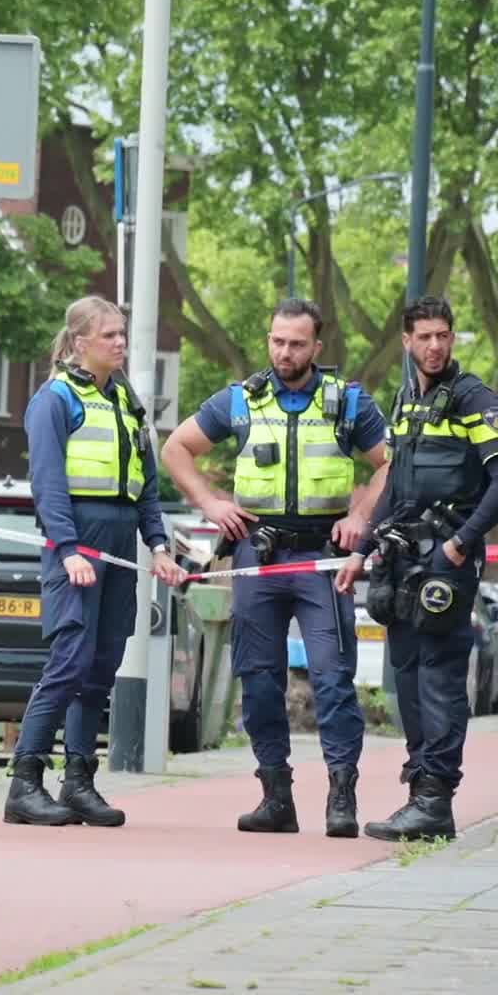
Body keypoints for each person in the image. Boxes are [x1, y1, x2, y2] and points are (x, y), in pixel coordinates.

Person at [162, 298, 388, 837]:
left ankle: (341, 797)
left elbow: (390, 464)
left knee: (332, 679)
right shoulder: (240, 401)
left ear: (317, 346)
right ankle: (275, 797)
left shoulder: (347, 403)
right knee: (259, 681)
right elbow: (176, 449)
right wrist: (212, 504)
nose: (284, 352)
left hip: (321, 558)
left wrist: (360, 514)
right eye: (276, 341)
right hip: (257, 557)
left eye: (296, 343)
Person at [3, 296, 187, 828]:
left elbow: (145, 487)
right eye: (110, 335)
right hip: (78, 542)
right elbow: (48, 484)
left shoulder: (127, 402)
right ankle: (25, 782)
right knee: (69, 662)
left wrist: (158, 546)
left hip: (120, 541)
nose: (121, 343)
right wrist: (66, 549)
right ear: (80, 341)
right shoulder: (54, 400)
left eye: (122, 334)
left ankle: (79, 781)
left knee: (102, 664)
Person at [335, 296, 498, 842]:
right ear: (407, 341)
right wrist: (361, 551)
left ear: (452, 339)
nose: (434, 346)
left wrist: (461, 544)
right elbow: (395, 487)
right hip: (400, 557)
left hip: (446, 560)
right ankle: (419, 791)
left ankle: (436, 800)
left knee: (438, 676)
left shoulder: (474, 398)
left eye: (443, 335)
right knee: (406, 673)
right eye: (424, 336)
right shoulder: (405, 402)